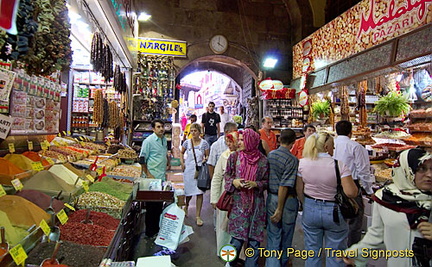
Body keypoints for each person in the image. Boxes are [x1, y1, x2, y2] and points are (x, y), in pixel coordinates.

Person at [343, 148, 432, 267]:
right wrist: (357, 253)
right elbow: (377, 234)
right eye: (421, 169)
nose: (429, 175)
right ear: (406, 170)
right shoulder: (386, 198)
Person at [296, 132, 358, 267]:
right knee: (336, 254)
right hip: (334, 212)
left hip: (310, 209)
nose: (333, 149)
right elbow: (351, 192)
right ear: (325, 146)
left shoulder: (302, 163)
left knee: (312, 252)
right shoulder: (339, 165)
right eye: (332, 146)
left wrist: (305, 203)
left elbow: (299, 190)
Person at [224, 128, 269, 267]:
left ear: (251, 141)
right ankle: (230, 264)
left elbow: (267, 182)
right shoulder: (234, 157)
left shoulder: (262, 161)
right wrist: (234, 182)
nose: (239, 142)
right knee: (235, 243)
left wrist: (256, 184)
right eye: (240, 139)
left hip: (256, 208)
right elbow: (227, 175)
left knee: (254, 244)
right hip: (239, 207)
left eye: (243, 140)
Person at [334, 120, 374, 246]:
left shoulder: (330, 144)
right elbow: (363, 170)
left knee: (336, 218)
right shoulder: (356, 147)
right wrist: (369, 190)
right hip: (351, 185)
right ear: (351, 132)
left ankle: (336, 250)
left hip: (332, 185)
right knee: (354, 220)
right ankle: (351, 252)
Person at [266, 129, 299, 267]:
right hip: (287, 202)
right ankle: (283, 262)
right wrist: (280, 209)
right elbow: (284, 186)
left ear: (279, 140)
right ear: (293, 143)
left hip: (271, 198)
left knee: (273, 236)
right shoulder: (293, 160)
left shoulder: (270, 156)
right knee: (287, 236)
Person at [139, 119, 171, 238]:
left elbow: (164, 153)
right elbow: (142, 159)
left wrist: (167, 162)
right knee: (151, 207)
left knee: (158, 205)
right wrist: (148, 174)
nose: (161, 129)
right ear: (153, 129)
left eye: (162, 127)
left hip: (160, 177)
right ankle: (149, 232)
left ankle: (156, 230)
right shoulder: (149, 141)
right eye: (158, 127)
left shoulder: (163, 140)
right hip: (151, 178)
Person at [210, 131, 239, 256]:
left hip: (240, 198)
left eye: (231, 141)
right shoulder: (224, 156)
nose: (229, 144)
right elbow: (217, 178)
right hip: (225, 196)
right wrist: (214, 198)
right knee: (223, 227)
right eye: (227, 141)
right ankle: (224, 252)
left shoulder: (243, 156)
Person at [180, 123, 210, 226]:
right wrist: (182, 163)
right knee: (188, 191)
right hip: (189, 170)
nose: (193, 133)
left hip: (200, 170)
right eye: (191, 131)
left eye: (195, 131)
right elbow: (181, 153)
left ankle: (198, 216)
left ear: (199, 132)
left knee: (199, 192)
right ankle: (186, 206)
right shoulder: (187, 143)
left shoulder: (204, 143)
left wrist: (205, 159)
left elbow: (207, 155)